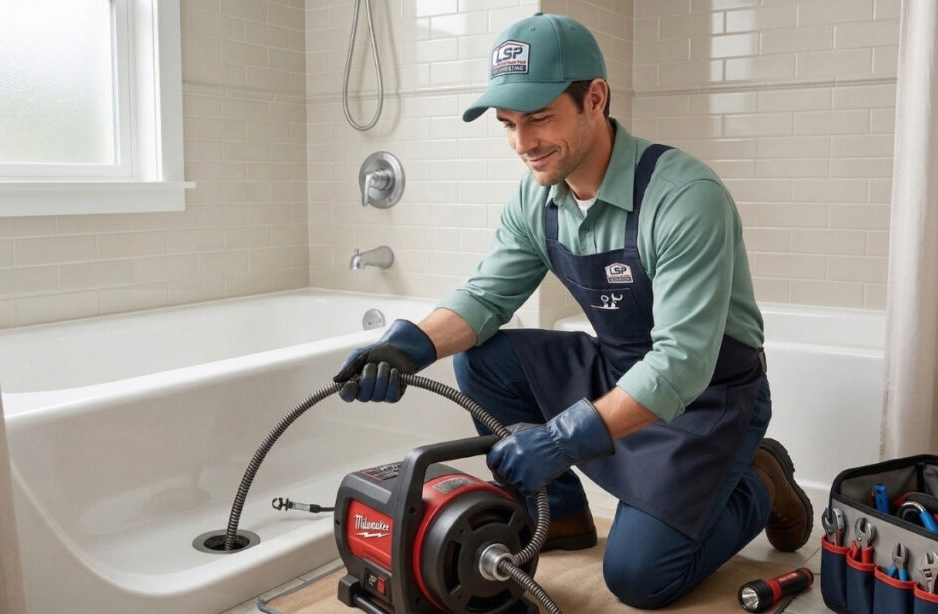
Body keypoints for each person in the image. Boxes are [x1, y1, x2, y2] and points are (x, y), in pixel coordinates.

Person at [334, 12, 813, 610]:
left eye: (539, 118)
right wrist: (406, 345)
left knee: (640, 577)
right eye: (508, 124)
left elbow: (682, 364)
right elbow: (485, 297)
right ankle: (559, 516)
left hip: (709, 395)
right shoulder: (537, 198)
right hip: (619, 367)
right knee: (483, 361)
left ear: (595, 98)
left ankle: (761, 480)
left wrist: (561, 439)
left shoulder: (684, 198)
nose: (523, 144)